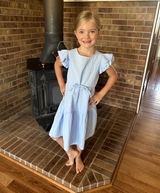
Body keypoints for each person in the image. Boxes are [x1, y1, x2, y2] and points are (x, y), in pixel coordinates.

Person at [49, 10, 117, 174]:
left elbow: (113, 76)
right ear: (76, 34)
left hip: (85, 103)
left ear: (99, 33)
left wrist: (100, 94)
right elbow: (56, 65)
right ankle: (70, 152)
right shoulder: (70, 55)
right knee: (54, 133)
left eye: (91, 31)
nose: (86, 36)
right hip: (70, 100)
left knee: (80, 131)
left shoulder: (100, 59)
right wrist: (62, 84)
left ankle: (78, 155)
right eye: (81, 31)